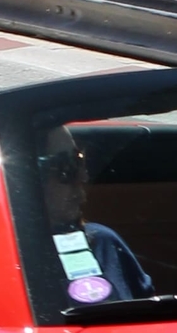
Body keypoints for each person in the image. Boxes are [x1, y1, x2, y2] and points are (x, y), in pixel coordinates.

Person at [38, 127, 152, 304]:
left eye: (79, 160)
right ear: (28, 177)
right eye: (65, 167)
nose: (84, 176)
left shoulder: (103, 243)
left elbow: (148, 318)